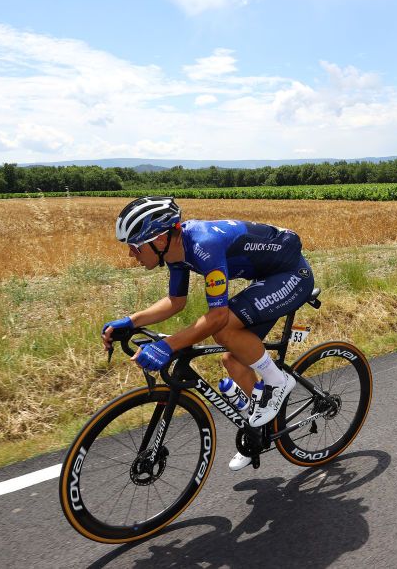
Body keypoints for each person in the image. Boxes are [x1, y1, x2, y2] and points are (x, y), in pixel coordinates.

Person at [101, 197, 315, 472]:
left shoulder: (204, 245)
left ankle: (278, 381)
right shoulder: (177, 252)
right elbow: (176, 301)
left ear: (161, 239)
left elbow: (217, 317)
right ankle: (257, 433)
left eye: (135, 246)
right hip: (268, 277)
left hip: (291, 276)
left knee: (224, 329)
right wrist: (130, 322)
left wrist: (168, 346)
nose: (131, 254)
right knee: (233, 360)